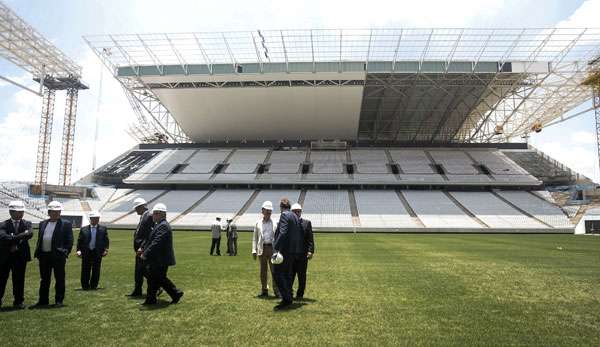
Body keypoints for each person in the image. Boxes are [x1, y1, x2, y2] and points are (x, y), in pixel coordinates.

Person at [31, 201, 73, 308]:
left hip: (58, 256)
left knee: (59, 279)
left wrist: (65, 252)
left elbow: (69, 240)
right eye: (53, 211)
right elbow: (40, 239)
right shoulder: (43, 223)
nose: (56, 213)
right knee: (44, 279)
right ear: (49, 212)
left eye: (58, 211)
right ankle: (43, 300)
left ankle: (59, 301)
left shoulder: (66, 224)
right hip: (44, 256)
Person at [140, 203, 183, 305]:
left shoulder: (163, 226)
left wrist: (145, 253)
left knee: (157, 279)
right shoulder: (159, 225)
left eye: (155, 213)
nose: (153, 216)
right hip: (158, 259)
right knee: (155, 279)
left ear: (161, 214)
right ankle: (152, 299)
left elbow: (156, 242)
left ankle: (174, 293)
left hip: (160, 259)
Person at [273, 198, 305, 310]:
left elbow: (283, 232)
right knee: (287, 275)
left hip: (284, 251)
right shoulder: (295, 216)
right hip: (293, 251)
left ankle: (286, 298)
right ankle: (289, 296)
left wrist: (276, 248)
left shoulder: (284, 216)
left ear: (281, 207)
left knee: (278, 274)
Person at [0, 201, 33, 309]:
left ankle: (18, 301)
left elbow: (29, 234)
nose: (20, 214)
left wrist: (13, 239)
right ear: (11, 212)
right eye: (18, 212)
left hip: (20, 257)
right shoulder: (3, 224)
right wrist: (20, 237)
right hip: (5, 257)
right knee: (2, 279)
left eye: (22, 212)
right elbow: (3, 237)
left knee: (19, 279)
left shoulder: (27, 223)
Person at [252, 201, 279, 298]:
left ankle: (277, 291)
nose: (269, 212)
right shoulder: (258, 223)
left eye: (270, 211)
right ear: (262, 211)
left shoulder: (276, 222)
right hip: (262, 249)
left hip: (273, 249)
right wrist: (254, 250)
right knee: (263, 271)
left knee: (274, 271)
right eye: (267, 210)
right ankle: (264, 290)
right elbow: (255, 238)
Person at [76, 211, 109, 290]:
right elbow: (79, 241)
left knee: (96, 269)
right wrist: (78, 250)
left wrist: (106, 250)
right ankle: (85, 285)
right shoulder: (84, 229)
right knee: (85, 269)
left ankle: (94, 285)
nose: (96, 220)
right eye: (94, 218)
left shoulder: (103, 229)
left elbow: (106, 240)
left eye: (97, 218)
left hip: (97, 252)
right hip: (86, 252)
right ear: (91, 219)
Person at [128, 197, 154, 297]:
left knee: (142, 270)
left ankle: (158, 286)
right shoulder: (144, 216)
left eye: (137, 208)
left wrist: (142, 247)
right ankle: (137, 290)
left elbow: (150, 235)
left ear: (142, 207)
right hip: (139, 249)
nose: (135, 210)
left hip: (143, 249)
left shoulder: (149, 216)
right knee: (139, 271)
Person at [290, 203, 314, 301]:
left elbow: (310, 239)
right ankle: (289, 293)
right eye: (294, 211)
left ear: (301, 212)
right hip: (291, 255)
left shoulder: (307, 223)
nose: (296, 213)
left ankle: (300, 294)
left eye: (298, 211)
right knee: (290, 275)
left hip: (302, 255)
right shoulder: (288, 223)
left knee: (302, 276)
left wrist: (311, 251)